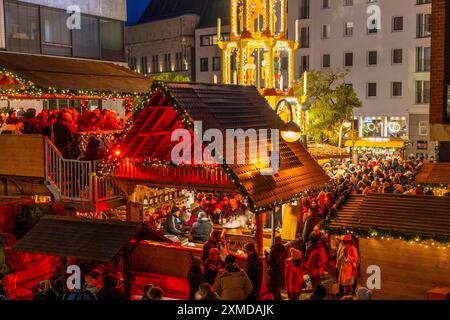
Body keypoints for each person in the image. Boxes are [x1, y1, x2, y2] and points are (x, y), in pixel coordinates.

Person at [266, 236, 287, 300]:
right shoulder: (284, 249)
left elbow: (269, 262)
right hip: (281, 271)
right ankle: (279, 298)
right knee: (277, 287)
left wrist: (267, 255)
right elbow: (286, 257)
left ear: (274, 241)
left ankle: (278, 298)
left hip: (274, 271)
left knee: (274, 288)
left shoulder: (273, 250)